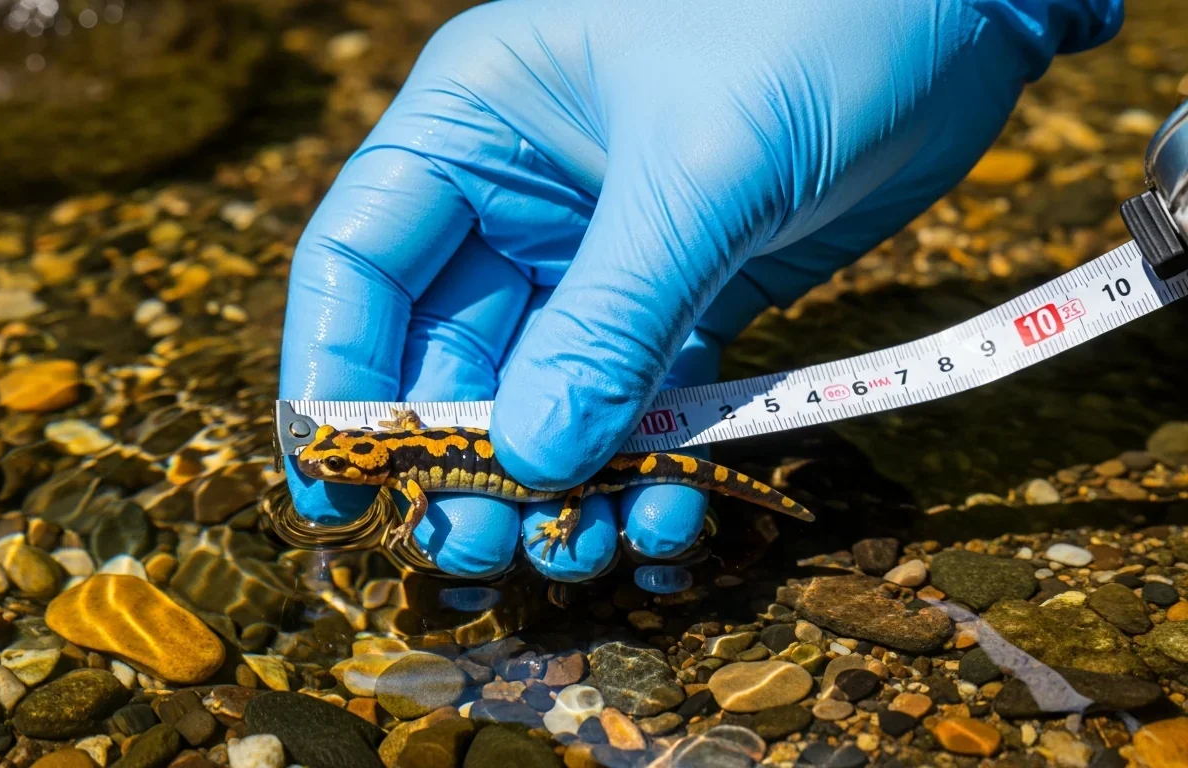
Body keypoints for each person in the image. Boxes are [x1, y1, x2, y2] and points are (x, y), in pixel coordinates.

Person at [278, 0, 1124, 584]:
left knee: (564, 467)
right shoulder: (405, 450)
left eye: (329, 449)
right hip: (587, 450)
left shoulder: (404, 463)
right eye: (334, 450)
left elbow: (406, 495)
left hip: (579, 456)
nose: (327, 450)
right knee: (578, 476)